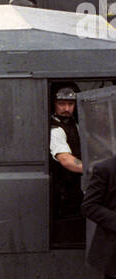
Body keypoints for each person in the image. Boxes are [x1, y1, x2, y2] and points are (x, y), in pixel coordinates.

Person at [49, 85, 83, 225]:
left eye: (70, 104)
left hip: (75, 188)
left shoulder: (74, 124)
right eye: (61, 104)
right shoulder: (55, 129)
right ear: (54, 105)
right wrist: (93, 169)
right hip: (63, 191)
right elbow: (66, 159)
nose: (66, 109)